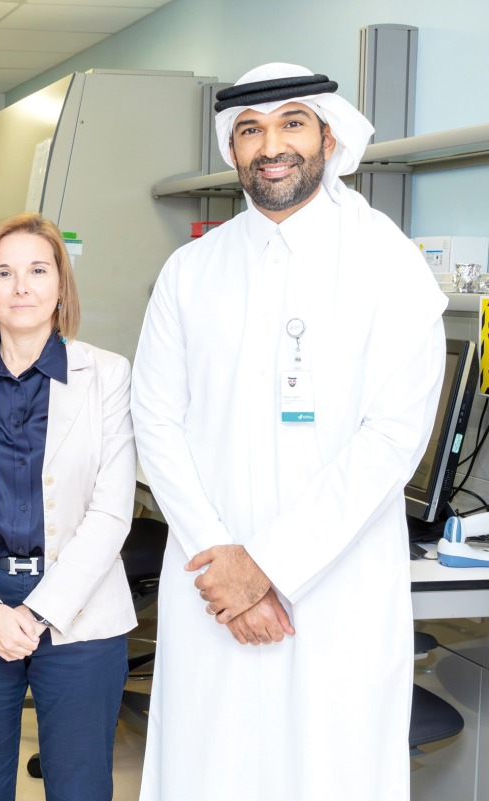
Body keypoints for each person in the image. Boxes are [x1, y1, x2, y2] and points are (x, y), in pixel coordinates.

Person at [132, 63, 447, 800]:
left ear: (329, 137)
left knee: (330, 772)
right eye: (249, 130)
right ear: (233, 150)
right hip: (208, 584)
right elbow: (155, 419)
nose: (270, 145)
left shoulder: (389, 264)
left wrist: (267, 565)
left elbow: (391, 439)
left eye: (291, 123)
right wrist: (228, 572)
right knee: (209, 768)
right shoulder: (190, 270)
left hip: (336, 591)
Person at [0, 212, 137, 801]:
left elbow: (113, 511)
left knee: (79, 784)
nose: (22, 287)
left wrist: (41, 612)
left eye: (38, 270)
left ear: (60, 285)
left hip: (81, 611)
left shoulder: (108, 376)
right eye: (5, 273)